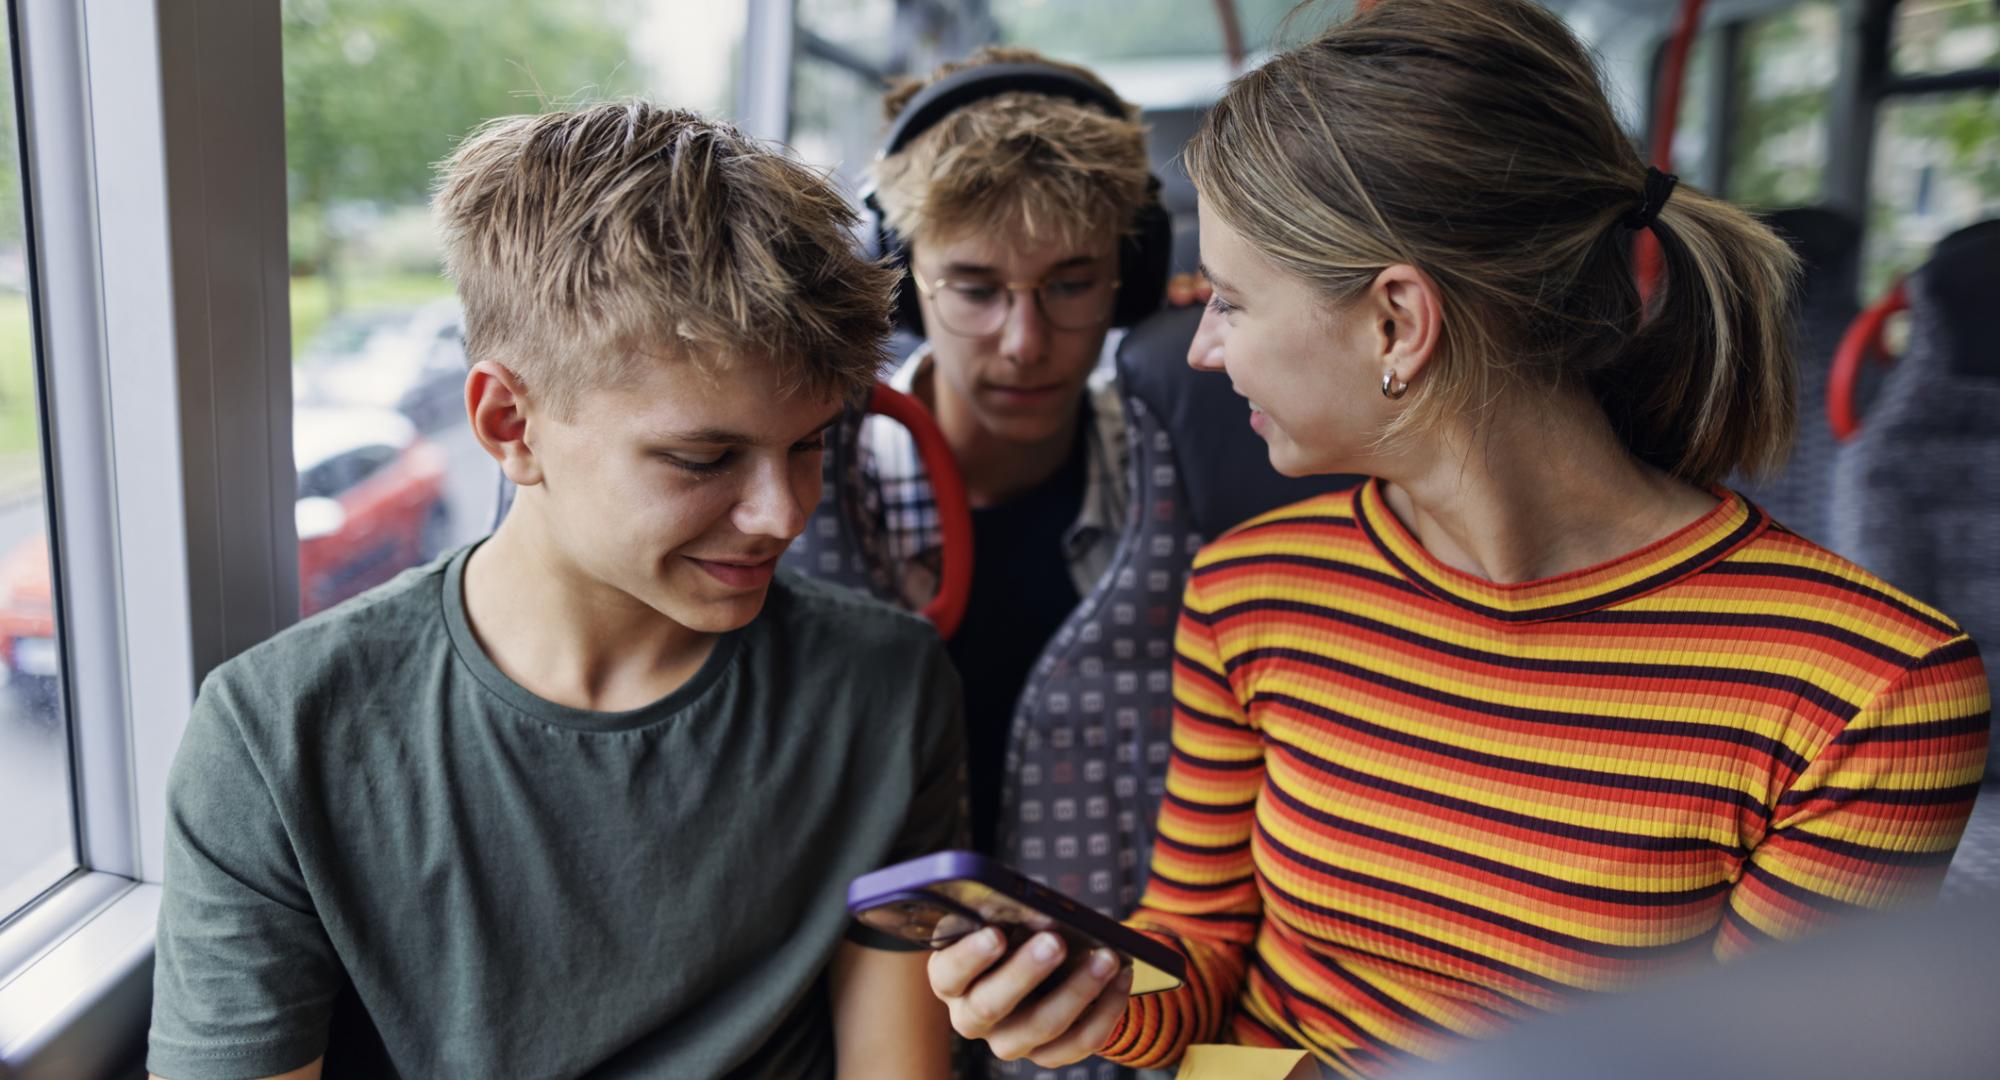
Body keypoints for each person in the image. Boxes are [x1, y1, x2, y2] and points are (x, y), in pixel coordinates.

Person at [921, 1, 1993, 1076]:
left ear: (1394, 321)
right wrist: (1101, 1001)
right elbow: (1198, 961)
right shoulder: (1251, 590)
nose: (1200, 350)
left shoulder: (1870, 690)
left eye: (1232, 303)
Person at [146, 103, 961, 1080]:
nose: (782, 514)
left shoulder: (885, 684)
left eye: (809, 445)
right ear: (507, 423)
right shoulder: (277, 736)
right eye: (703, 458)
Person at [860, 49, 1165, 862]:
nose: (1026, 345)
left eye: (1070, 284)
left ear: (1128, 282)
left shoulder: (1174, 486)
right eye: (974, 289)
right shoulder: (819, 498)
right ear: (898, 277)